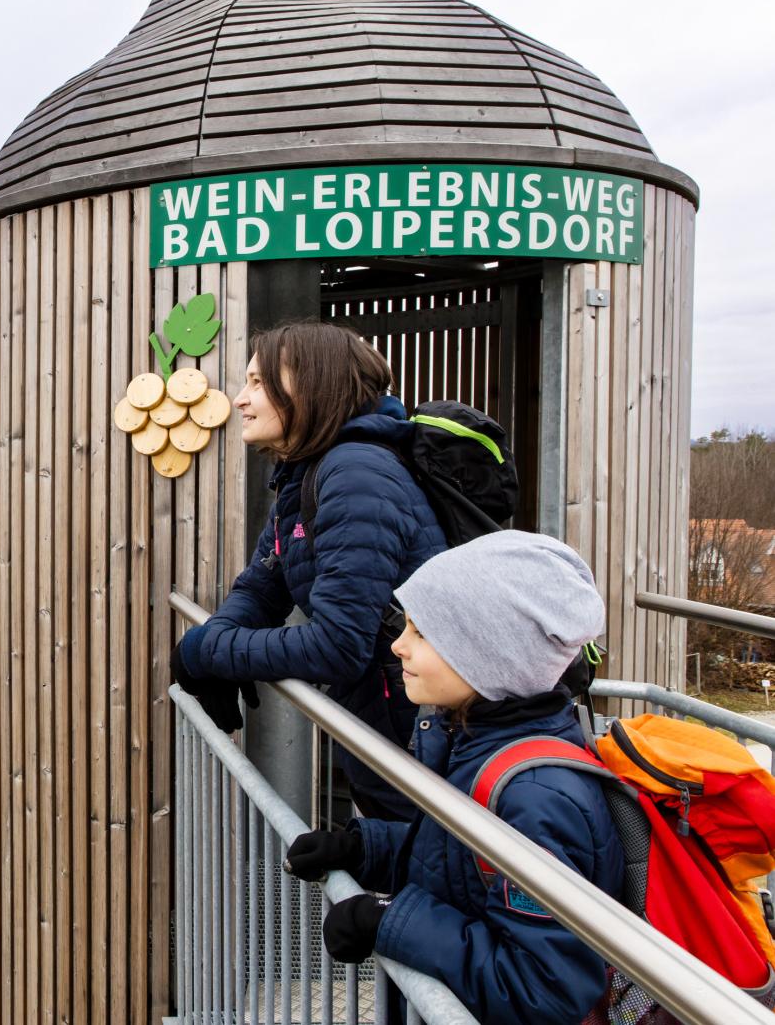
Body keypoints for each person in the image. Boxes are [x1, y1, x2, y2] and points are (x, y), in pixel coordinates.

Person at [283, 530, 624, 1024]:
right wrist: (363, 849)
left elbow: (541, 991)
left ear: (489, 654)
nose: (398, 645)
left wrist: (389, 923)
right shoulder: (474, 742)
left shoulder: (535, 799)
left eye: (422, 633)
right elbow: (460, 871)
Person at [171, 321, 445, 820]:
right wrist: (215, 646)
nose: (240, 399)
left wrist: (206, 651)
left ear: (312, 385)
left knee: (417, 850)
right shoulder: (308, 474)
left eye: (258, 383)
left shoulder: (356, 474)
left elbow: (338, 645)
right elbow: (263, 585)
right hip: (387, 725)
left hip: (419, 739)